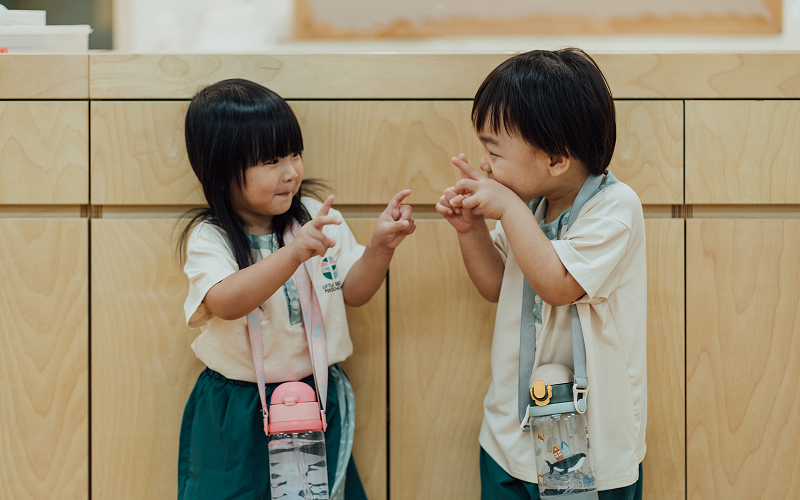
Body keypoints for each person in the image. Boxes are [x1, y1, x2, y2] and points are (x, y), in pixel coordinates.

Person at [176, 78, 415, 499]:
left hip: (315, 397)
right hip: (235, 407)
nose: (291, 172)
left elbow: (353, 291)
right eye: (271, 160)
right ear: (222, 170)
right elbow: (225, 301)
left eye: (294, 154)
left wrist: (379, 247)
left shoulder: (317, 220)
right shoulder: (209, 237)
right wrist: (293, 254)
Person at [436, 48, 646, 500]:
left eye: (494, 151)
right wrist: (471, 229)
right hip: (510, 435)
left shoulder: (614, 209)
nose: (486, 165)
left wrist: (508, 209)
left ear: (555, 160)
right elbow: (497, 285)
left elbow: (558, 286)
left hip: (589, 449)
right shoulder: (529, 205)